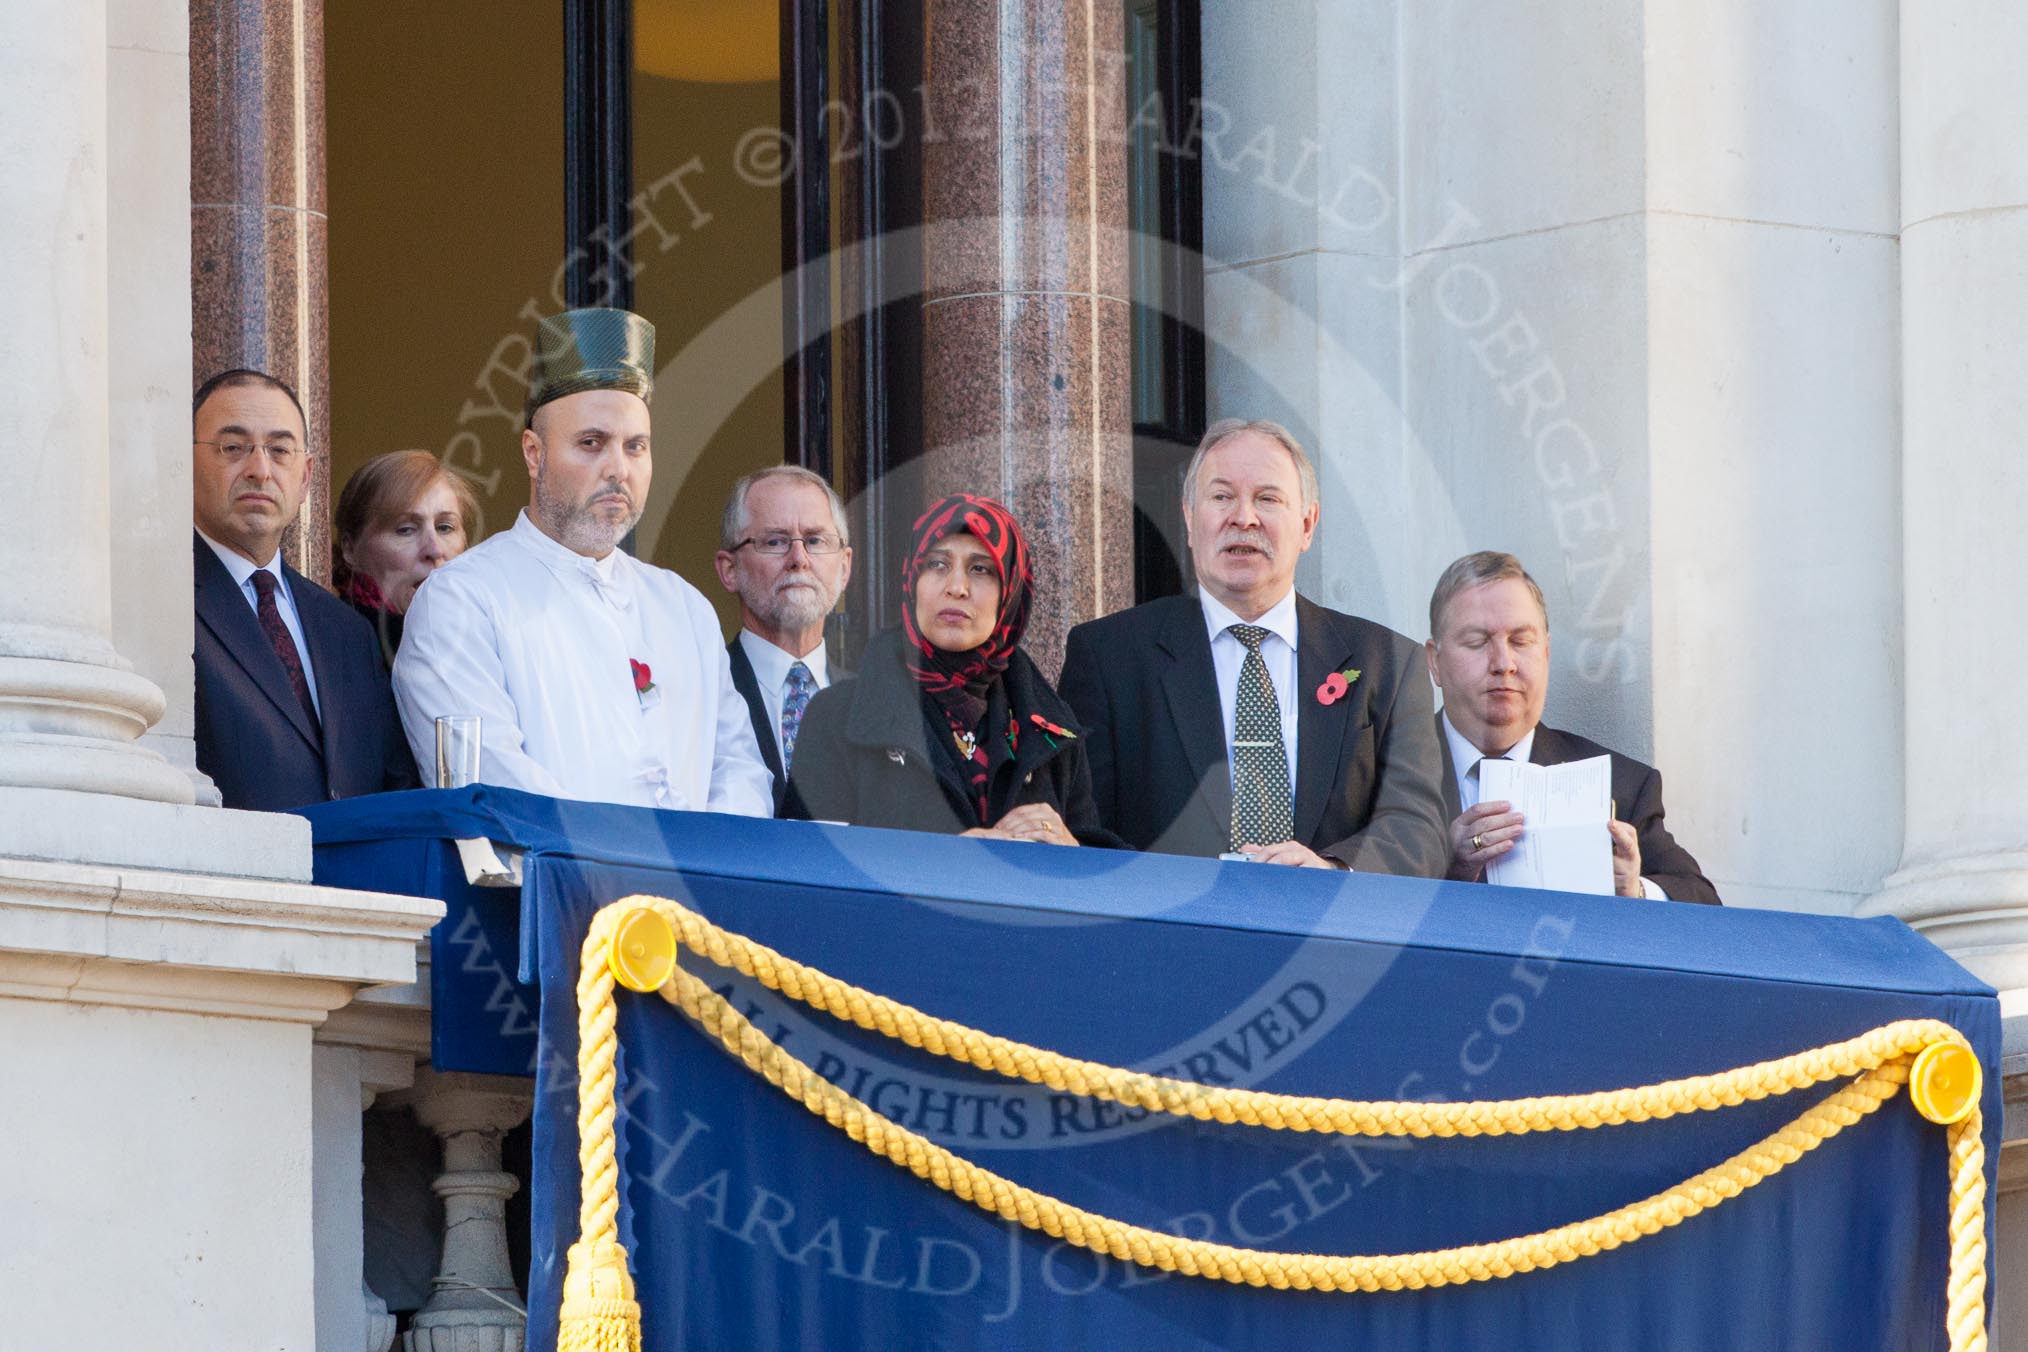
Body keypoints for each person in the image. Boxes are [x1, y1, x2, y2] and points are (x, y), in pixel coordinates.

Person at [392, 307, 773, 813]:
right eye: (591, 444)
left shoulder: (685, 608)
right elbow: (491, 787)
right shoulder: (462, 601)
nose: (618, 469)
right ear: (533, 452)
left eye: (636, 447)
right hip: (547, 890)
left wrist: (698, 877)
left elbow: (739, 771)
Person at [1058, 418, 1447, 872]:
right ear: (1188, 518)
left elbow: (1419, 831)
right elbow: (1082, 828)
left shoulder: (1388, 664)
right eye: (1221, 497)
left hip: (1329, 932)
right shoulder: (1109, 657)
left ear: (1307, 524)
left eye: (1267, 498)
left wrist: (1334, 870)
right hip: (1169, 933)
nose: (1243, 518)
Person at [785, 493, 1111, 846]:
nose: (956, 587)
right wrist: (946, 862)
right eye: (937, 565)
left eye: (980, 568)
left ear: (1011, 592)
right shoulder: (838, 717)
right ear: (912, 580)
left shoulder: (1050, 728)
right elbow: (806, 869)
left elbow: (1097, 884)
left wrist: (1071, 852)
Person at [1425, 551, 1720, 904]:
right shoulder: (1374, 775)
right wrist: (1445, 871)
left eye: (1521, 641)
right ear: (1435, 662)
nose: (1503, 663)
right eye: (1477, 641)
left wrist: (1633, 891)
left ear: (1546, 654)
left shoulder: (1623, 785)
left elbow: (1704, 906)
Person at [191, 368, 417, 810]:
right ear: (185, 462)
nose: (259, 470)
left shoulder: (346, 632)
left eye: (279, 450)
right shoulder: (160, 605)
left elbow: (393, 786)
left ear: (306, 477)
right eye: (233, 448)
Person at [712, 465, 854, 811]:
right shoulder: (701, 692)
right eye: (775, 541)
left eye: (816, 540)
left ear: (845, 567)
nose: (799, 559)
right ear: (729, 570)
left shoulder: (875, 705)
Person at [333, 450, 479, 668]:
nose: (435, 549)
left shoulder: (486, 637)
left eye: (445, 527)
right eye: (406, 530)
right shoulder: (333, 646)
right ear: (350, 548)